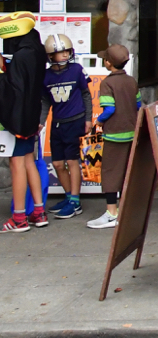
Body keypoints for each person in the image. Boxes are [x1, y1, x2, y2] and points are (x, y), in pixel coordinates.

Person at [0, 14, 48, 232]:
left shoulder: (20, 56)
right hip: (31, 116)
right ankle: (39, 212)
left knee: (17, 164)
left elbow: (14, 90)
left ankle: (19, 218)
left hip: (18, 119)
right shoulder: (36, 50)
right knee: (29, 161)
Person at [89, 45, 140, 230]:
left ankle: (111, 212)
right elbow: (138, 104)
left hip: (115, 134)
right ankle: (127, 211)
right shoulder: (131, 81)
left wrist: (100, 121)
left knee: (110, 172)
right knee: (128, 171)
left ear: (109, 63)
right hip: (131, 132)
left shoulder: (107, 83)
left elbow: (109, 109)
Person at [40, 34, 91, 219]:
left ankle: (75, 202)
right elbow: (45, 101)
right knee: (57, 163)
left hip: (75, 120)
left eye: (66, 51)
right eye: (60, 52)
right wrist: (41, 121)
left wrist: (88, 119)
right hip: (58, 123)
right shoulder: (46, 76)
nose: (64, 55)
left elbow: (86, 94)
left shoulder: (77, 69)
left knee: (72, 161)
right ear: (50, 55)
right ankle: (69, 196)